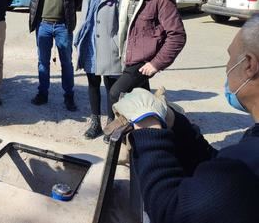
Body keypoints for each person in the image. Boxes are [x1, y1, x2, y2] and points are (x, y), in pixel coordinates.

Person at [109, 15, 259, 223]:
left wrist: (149, 131)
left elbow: (171, 211)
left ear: (249, 64)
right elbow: (216, 169)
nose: (227, 67)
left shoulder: (246, 170)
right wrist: (177, 125)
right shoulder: (249, 147)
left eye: (230, 57)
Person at [109, 0, 186, 118]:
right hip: (127, 57)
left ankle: (119, 131)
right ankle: (150, 130)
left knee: (115, 94)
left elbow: (177, 36)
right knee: (142, 99)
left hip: (143, 60)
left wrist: (156, 63)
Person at [28, 0, 83, 111]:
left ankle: (69, 96)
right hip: (42, 25)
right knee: (43, 62)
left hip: (63, 26)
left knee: (66, 62)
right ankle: (42, 93)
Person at [74, 0, 122, 138]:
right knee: (93, 85)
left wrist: (118, 44)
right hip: (89, 44)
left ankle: (111, 124)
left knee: (112, 88)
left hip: (109, 47)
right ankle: (95, 123)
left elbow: (122, 23)